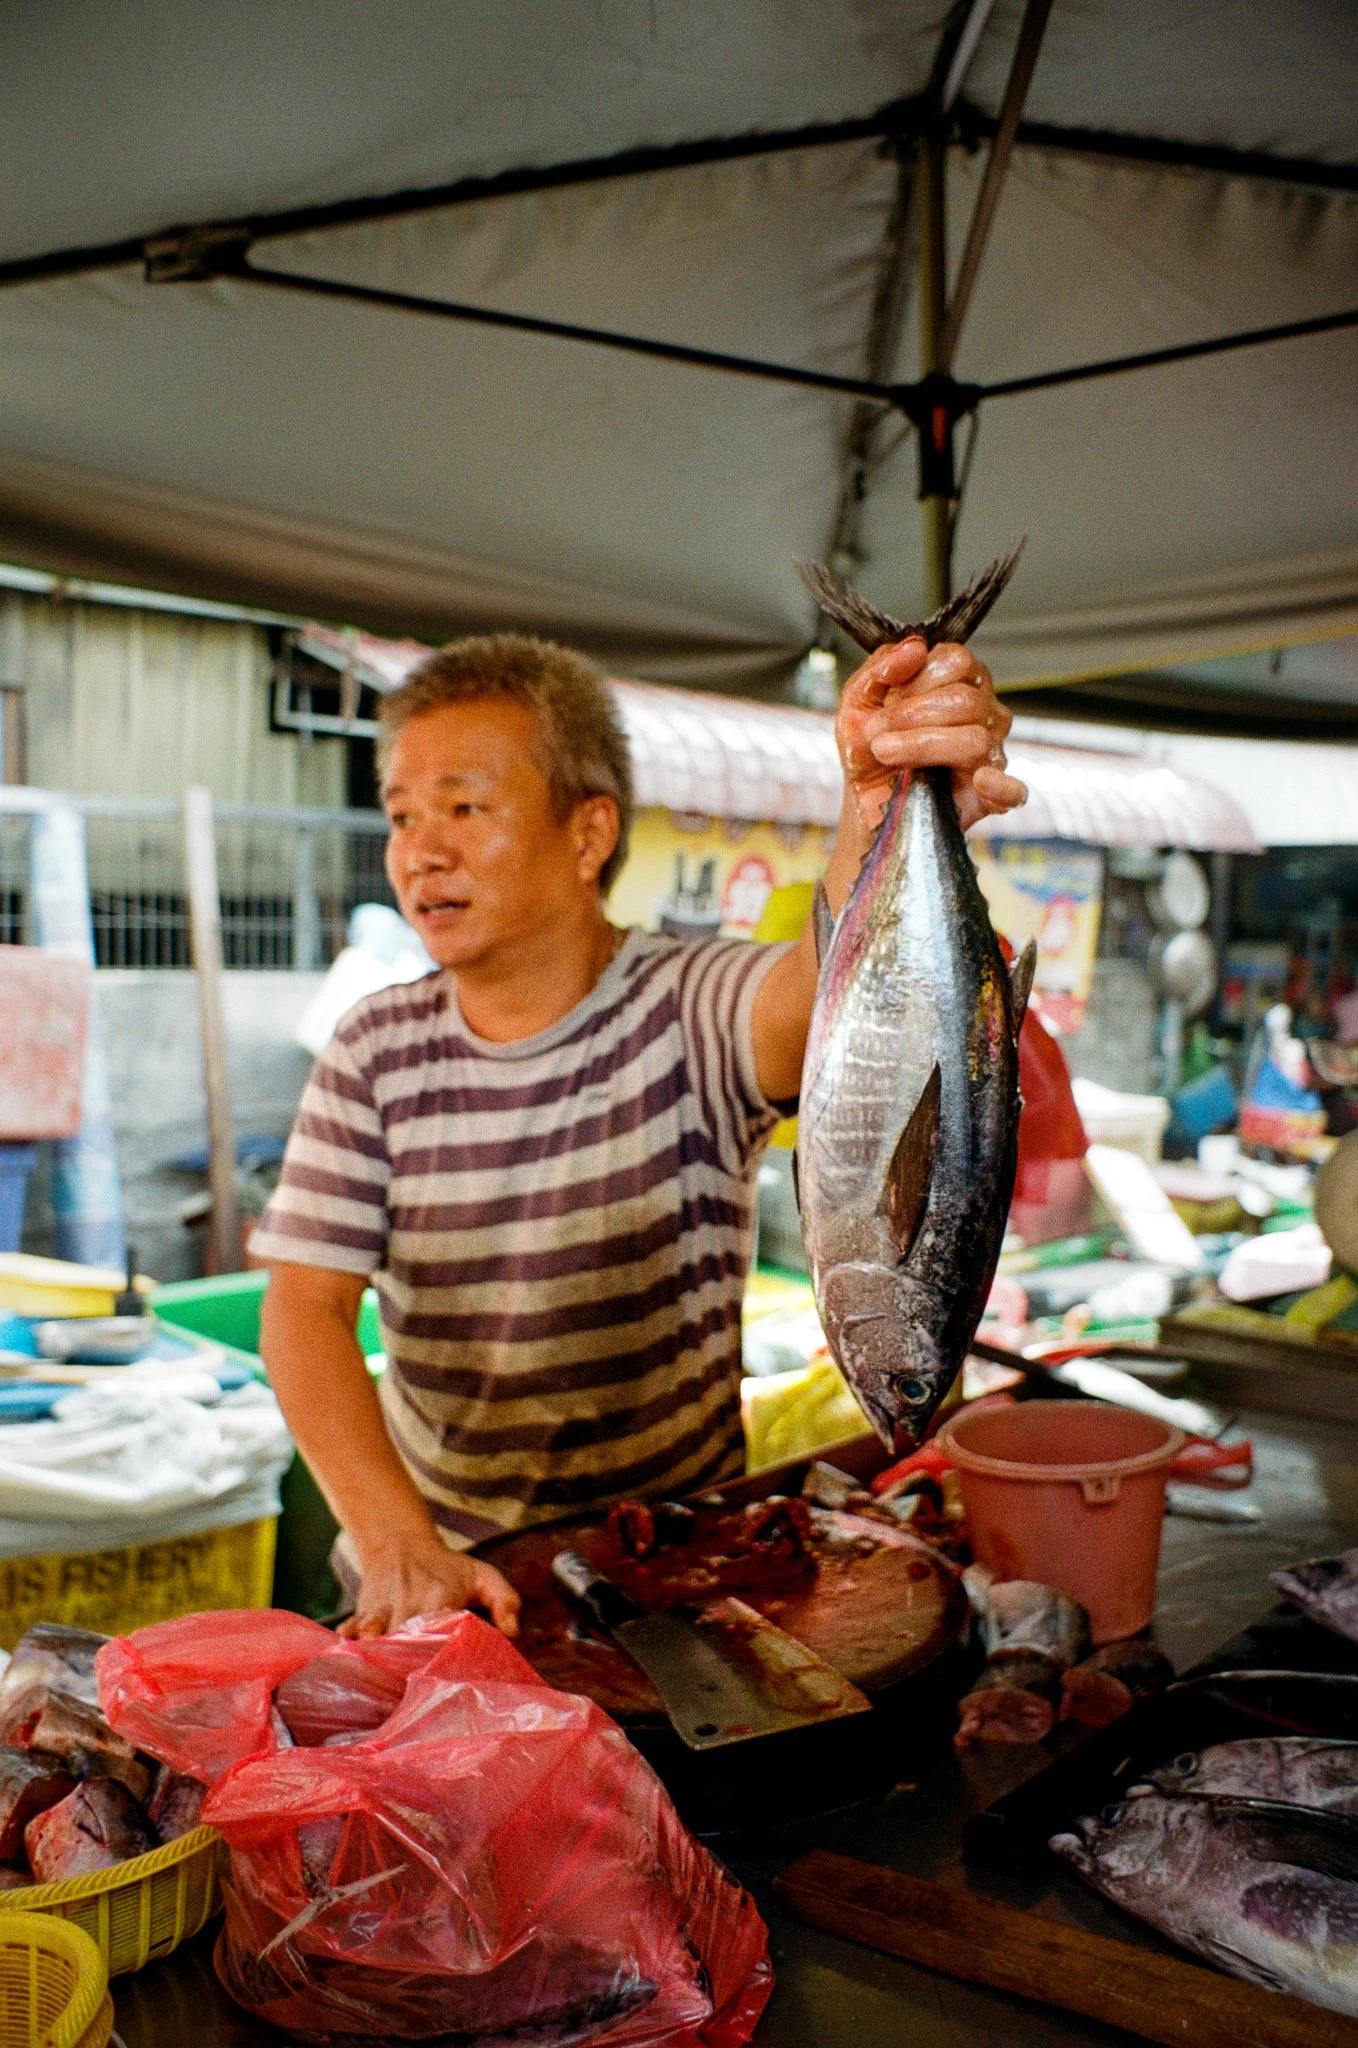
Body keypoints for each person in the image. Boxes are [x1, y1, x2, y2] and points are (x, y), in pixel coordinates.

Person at [254, 629, 1024, 1637]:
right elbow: (304, 1310)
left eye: (464, 807)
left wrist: (874, 809)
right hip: (448, 1576)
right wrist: (397, 1542)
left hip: (682, 1569)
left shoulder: (688, 1003)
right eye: (402, 815)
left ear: (588, 834)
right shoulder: (374, 1049)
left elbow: (814, 1004)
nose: (420, 850)